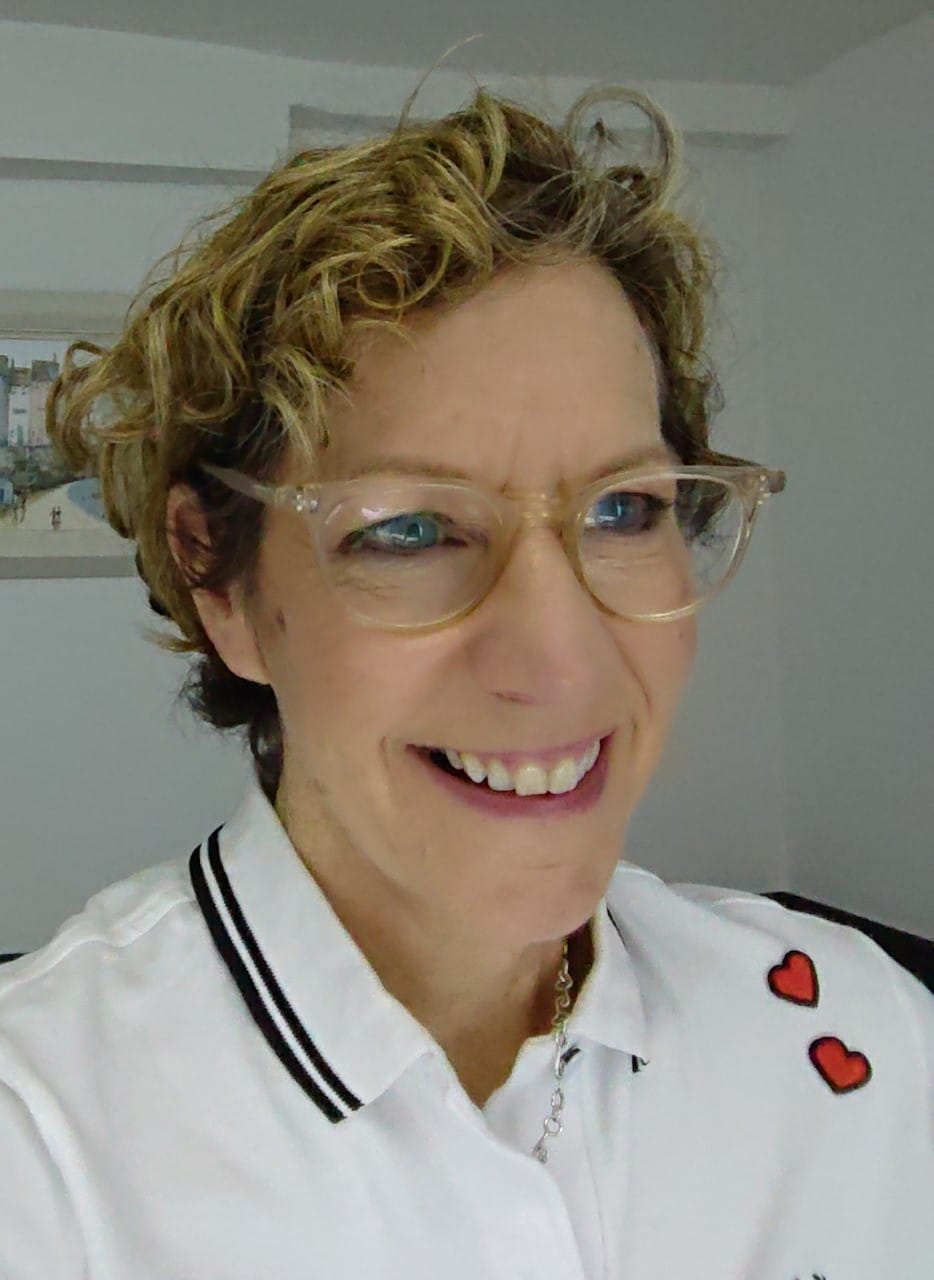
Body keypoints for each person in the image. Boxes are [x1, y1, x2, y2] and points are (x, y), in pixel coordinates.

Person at [1, 77, 930, 1280]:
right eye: (408, 530)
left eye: (622, 508)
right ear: (218, 578)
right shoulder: (42, 1149)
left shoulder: (857, 1034)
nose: (561, 654)